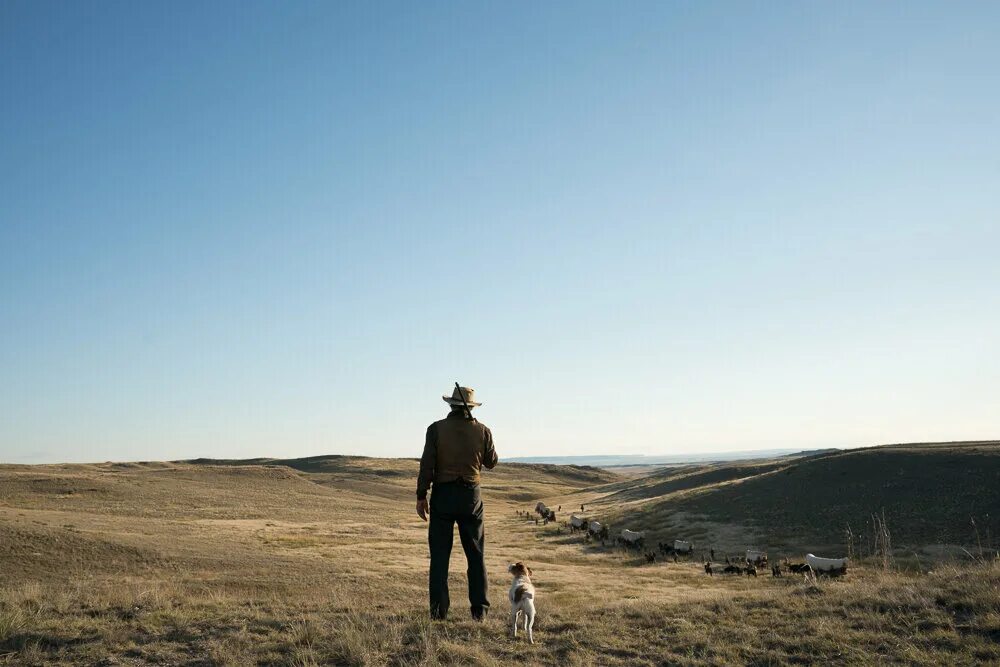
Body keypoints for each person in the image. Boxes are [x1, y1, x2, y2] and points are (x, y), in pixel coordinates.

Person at [416, 386, 498, 621]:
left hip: (443, 495)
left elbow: (427, 465)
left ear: (451, 405)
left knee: (440, 556)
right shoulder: (482, 430)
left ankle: (438, 612)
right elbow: (492, 462)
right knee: (476, 554)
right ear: (470, 407)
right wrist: (481, 437)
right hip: (471, 496)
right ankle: (479, 612)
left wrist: (422, 495)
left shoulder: (436, 429)